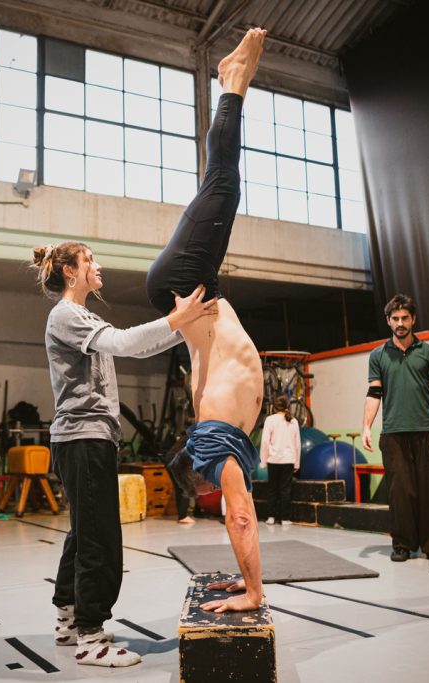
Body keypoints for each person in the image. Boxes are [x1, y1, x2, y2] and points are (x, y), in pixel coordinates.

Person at [32, 241, 217, 668]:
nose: (98, 266)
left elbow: (136, 346)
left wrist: (182, 325)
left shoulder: (84, 317)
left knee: (84, 533)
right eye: (89, 260)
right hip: (83, 439)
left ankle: (69, 620)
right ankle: (90, 638)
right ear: (70, 271)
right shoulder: (65, 315)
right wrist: (178, 318)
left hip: (87, 439)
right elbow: (125, 342)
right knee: (99, 538)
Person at [148, 27, 269, 613]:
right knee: (220, 184)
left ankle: (232, 82)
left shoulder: (217, 431)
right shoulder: (217, 422)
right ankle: (230, 82)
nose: (218, 488)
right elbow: (240, 510)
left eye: (208, 483)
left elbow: (239, 514)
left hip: (184, 286)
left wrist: (254, 591)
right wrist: (245, 580)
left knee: (222, 182)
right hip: (191, 292)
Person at [361, 294, 429, 563]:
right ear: (388, 321)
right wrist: (366, 427)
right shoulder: (378, 355)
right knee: (400, 492)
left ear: (413, 320)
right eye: (395, 318)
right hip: (393, 434)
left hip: (427, 431)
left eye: (405, 318)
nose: (400, 323)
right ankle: (402, 545)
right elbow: (374, 393)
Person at [260, 395, 301, 526]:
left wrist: (263, 461)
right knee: (285, 490)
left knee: (272, 489)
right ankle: (285, 519)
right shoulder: (293, 421)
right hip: (288, 460)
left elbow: (265, 441)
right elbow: (297, 444)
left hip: (273, 459)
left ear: (274, 406)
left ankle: (271, 517)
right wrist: (297, 462)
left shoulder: (270, 420)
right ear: (287, 406)